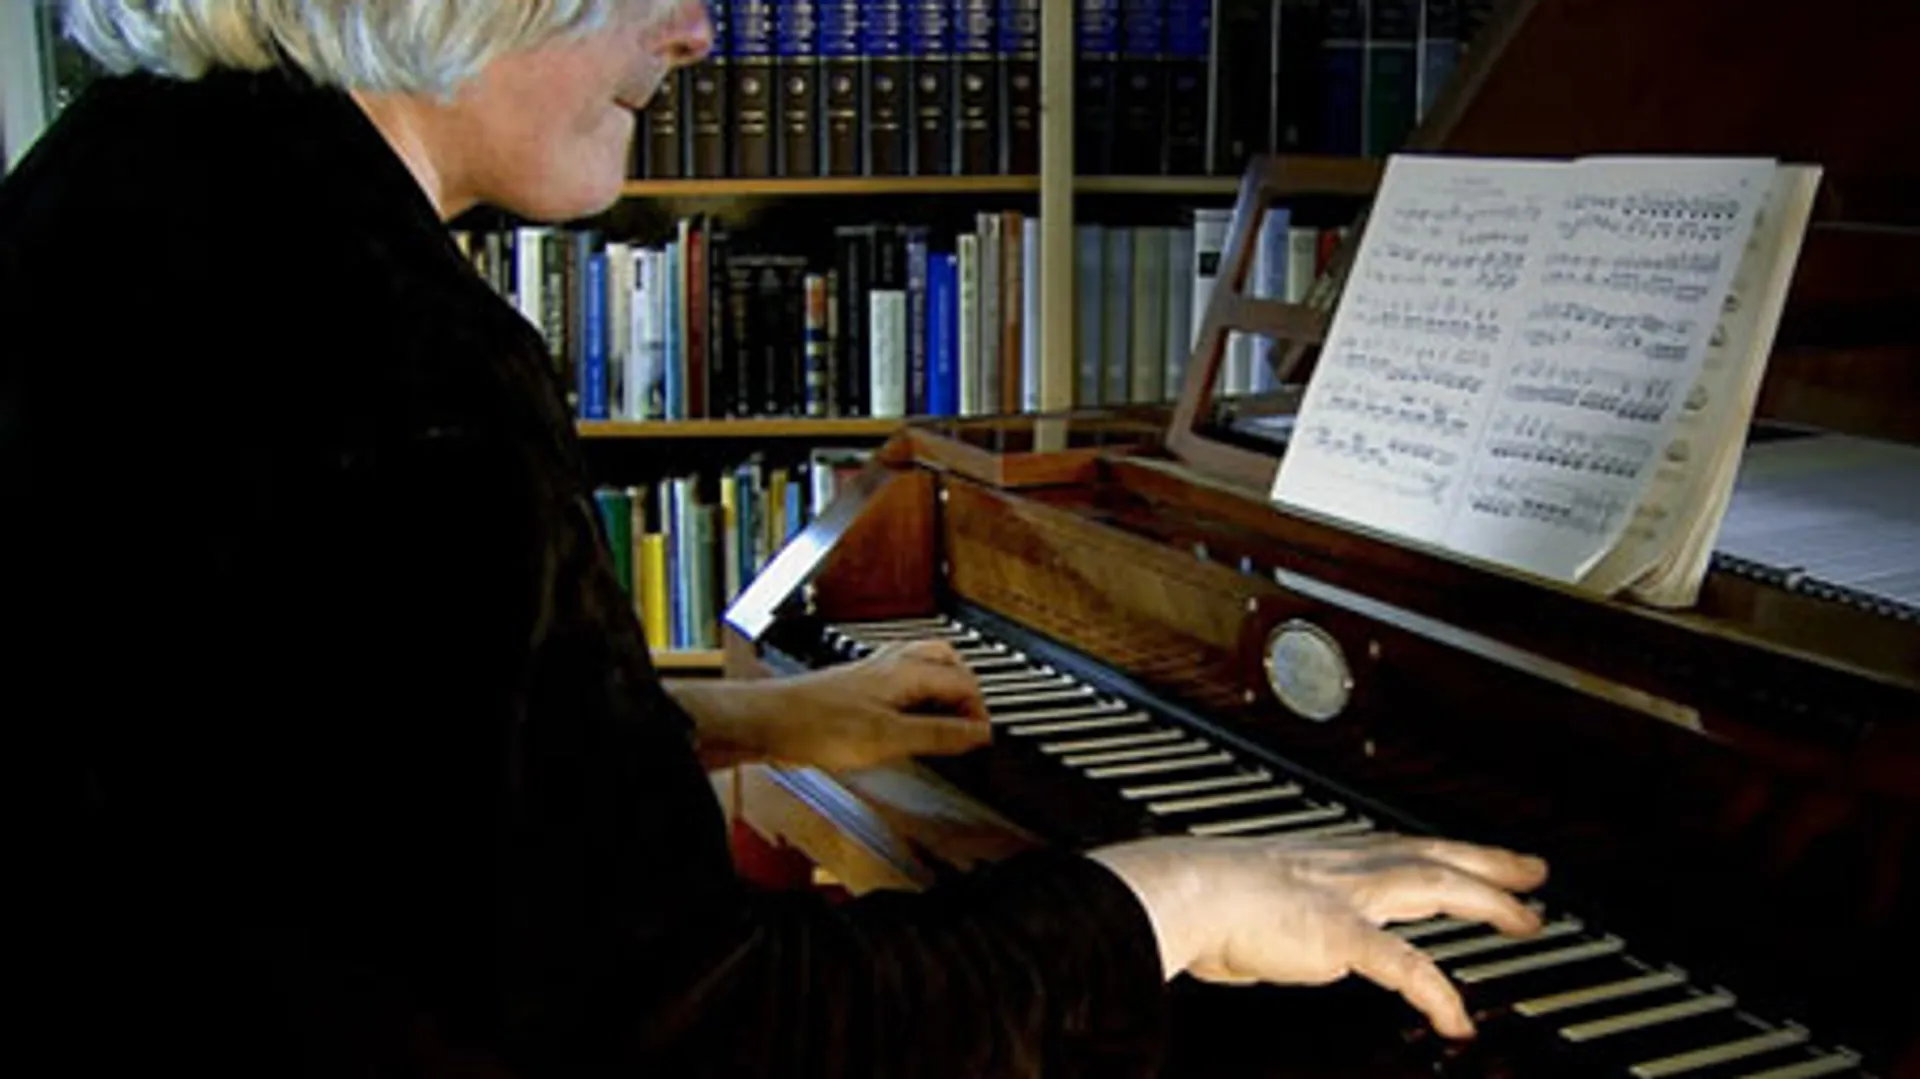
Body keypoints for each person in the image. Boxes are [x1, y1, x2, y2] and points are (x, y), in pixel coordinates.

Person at [1, 2, 1548, 1076]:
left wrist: (731, 720)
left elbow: (333, 764)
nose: (698, 34)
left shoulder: (135, 180)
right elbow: (706, 1035)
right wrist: (1177, 900)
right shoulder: (392, 355)